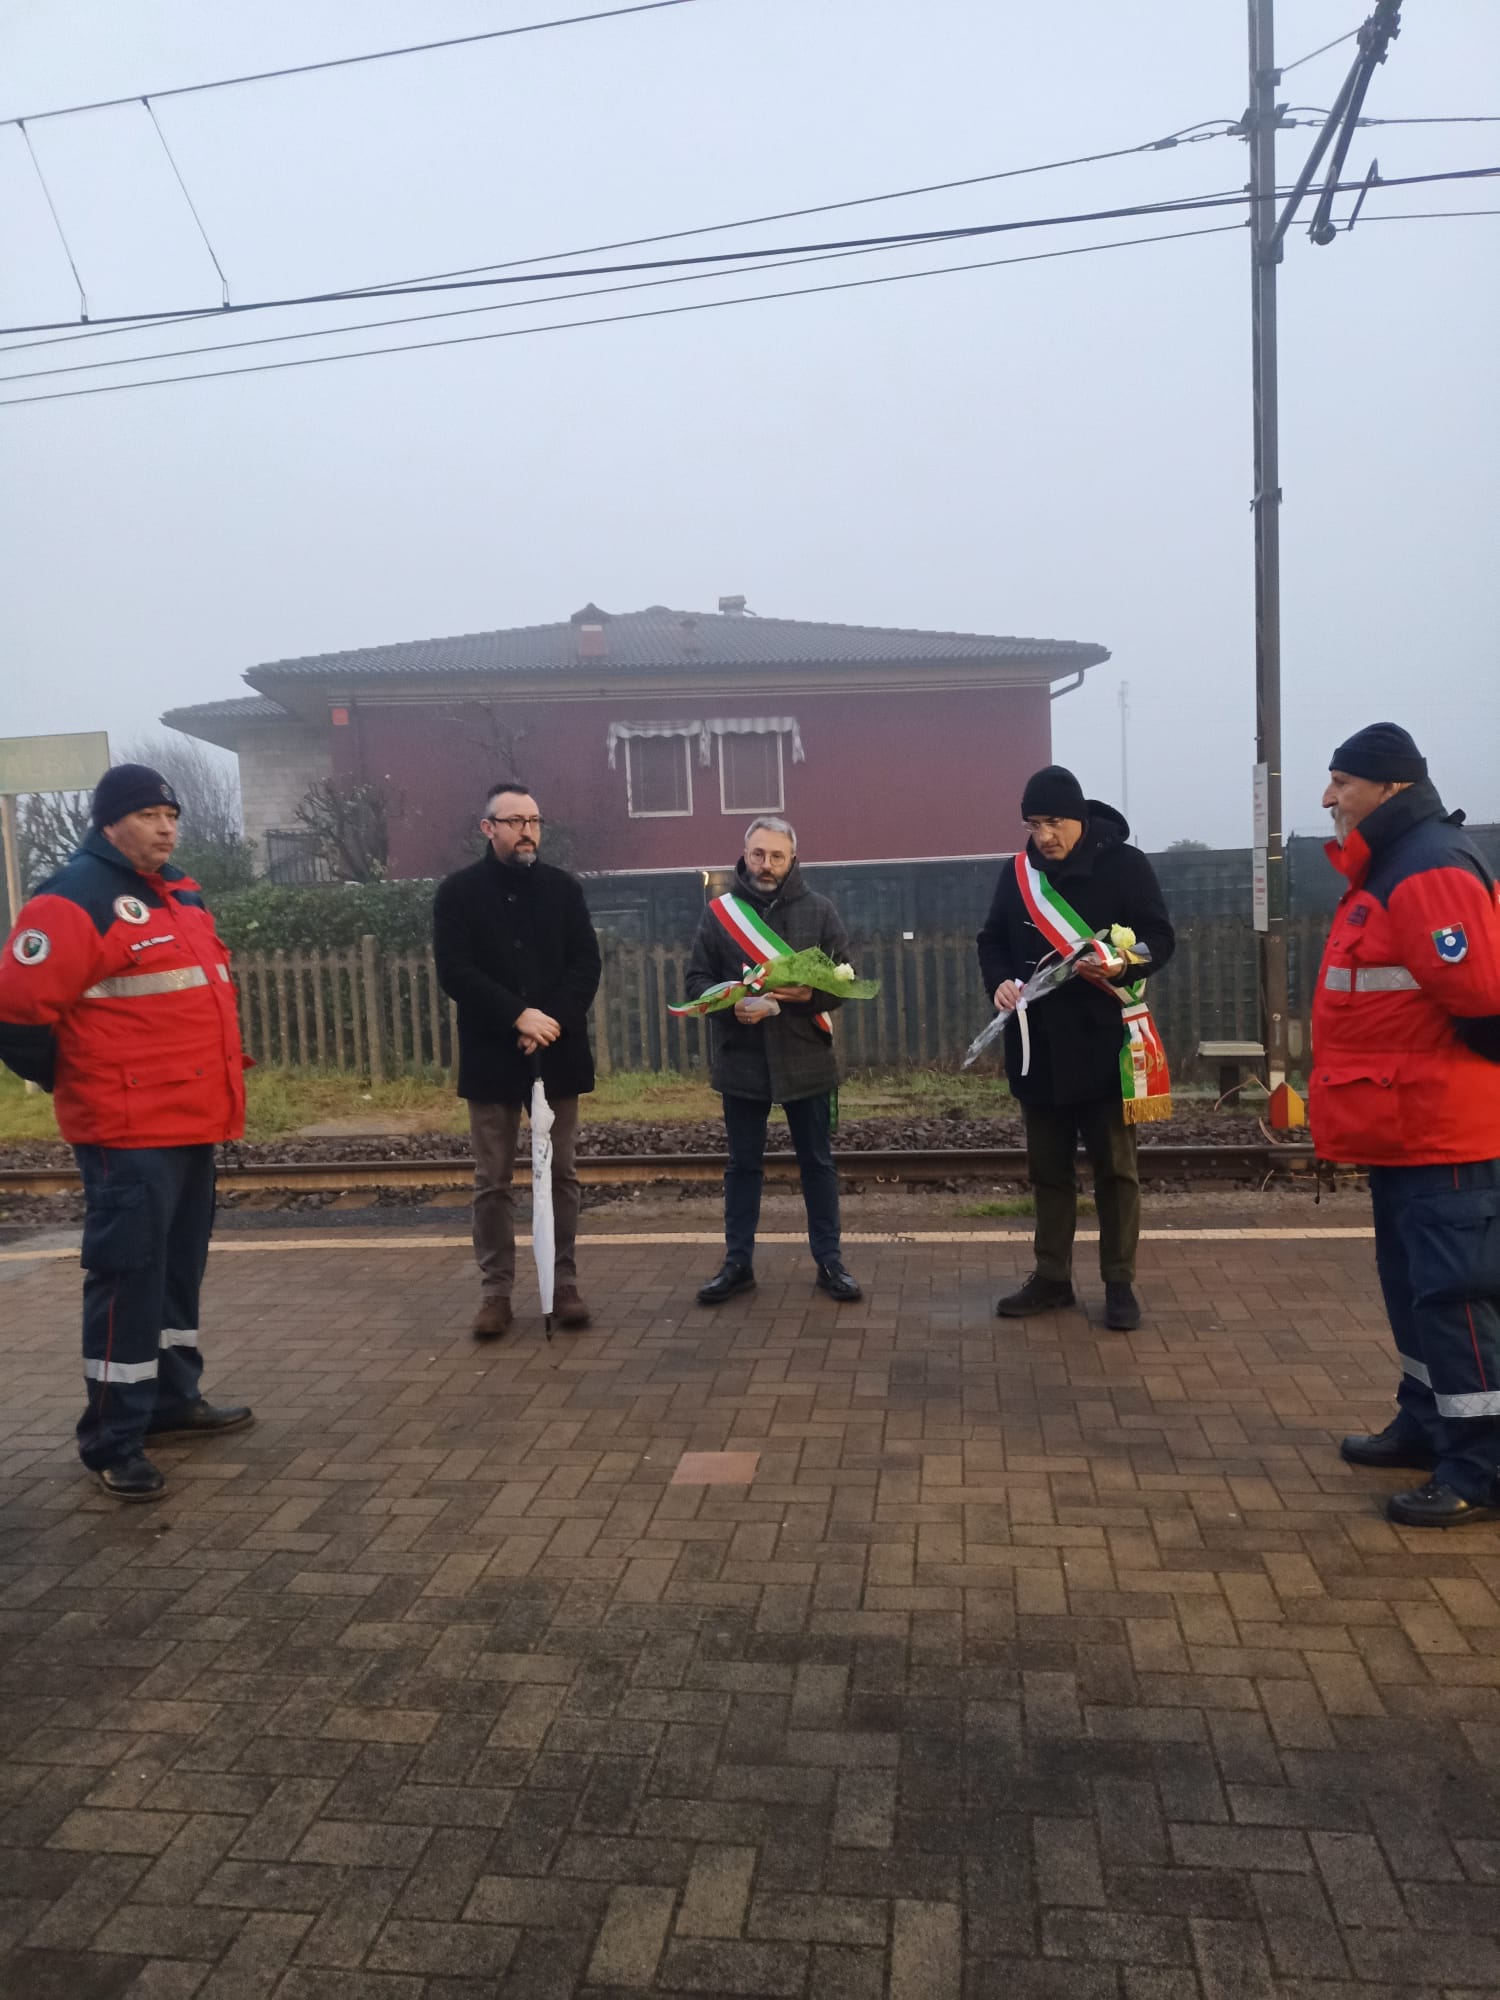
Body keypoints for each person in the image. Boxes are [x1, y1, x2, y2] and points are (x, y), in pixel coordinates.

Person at [0, 764, 253, 1501]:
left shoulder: (180, 893)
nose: (166, 826)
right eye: (147, 813)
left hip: (192, 1122)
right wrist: (80, 1079)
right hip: (126, 1130)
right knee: (126, 1281)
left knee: (176, 1275)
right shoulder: (70, 899)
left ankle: (173, 1402)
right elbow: (16, 1017)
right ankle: (113, 1439)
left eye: (171, 813)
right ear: (110, 823)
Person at [1312, 724, 1500, 1527]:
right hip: (1405, 1131)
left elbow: (1487, 1004)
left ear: (1388, 788)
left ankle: (1479, 1468)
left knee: (1456, 1297)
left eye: (1342, 783)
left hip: (1443, 1135)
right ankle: (1427, 1425)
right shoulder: (1394, 863)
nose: (1328, 798)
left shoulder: (1426, 870)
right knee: (1415, 1293)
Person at [977, 765, 1175, 1331]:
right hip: (1037, 1046)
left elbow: (1160, 937)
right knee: (1049, 1171)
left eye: (1055, 822)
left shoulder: (1126, 865)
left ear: (1080, 818)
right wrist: (998, 981)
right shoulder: (1018, 874)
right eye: (1034, 823)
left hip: (1105, 1040)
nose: (1044, 836)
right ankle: (1052, 1278)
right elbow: (991, 938)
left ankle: (1119, 1282)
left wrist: (1120, 962)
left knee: (1116, 1171)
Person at [433, 782, 602, 1340]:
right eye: (515, 821)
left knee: (562, 1174)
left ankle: (565, 1283)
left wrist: (547, 1020)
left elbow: (585, 964)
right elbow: (457, 971)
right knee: (492, 1181)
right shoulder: (458, 894)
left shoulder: (563, 889)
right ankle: (496, 1293)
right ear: (489, 828)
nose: (527, 830)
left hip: (558, 1052)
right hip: (491, 1055)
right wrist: (516, 1016)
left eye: (534, 820)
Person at [686, 815, 862, 1305]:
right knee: (742, 1167)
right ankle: (737, 1264)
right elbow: (696, 982)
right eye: (758, 854)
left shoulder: (820, 911)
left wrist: (807, 995)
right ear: (744, 856)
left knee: (818, 1165)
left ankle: (830, 1262)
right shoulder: (719, 914)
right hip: (741, 1060)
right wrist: (729, 1004)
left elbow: (843, 985)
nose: (766, 865)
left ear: (792, 859)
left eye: (776, 856)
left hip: (807, 1058)